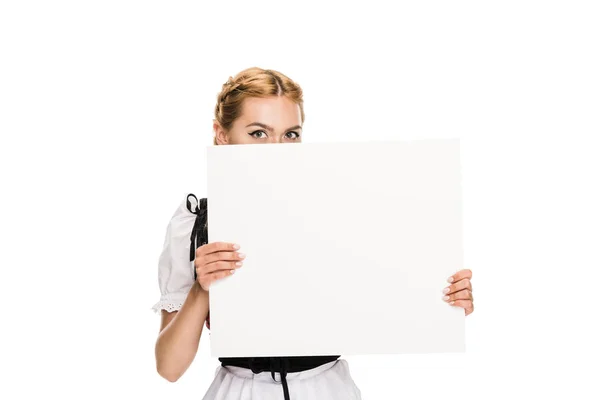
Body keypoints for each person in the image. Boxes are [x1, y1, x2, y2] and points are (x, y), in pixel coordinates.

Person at [152, 67, 475, 400]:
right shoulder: (195, 222)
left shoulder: (339, 206)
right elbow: (169, 368)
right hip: (240, 392)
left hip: (328, 389)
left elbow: (385, 287)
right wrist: (202, 287)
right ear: (222, 134)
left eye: (290, 134)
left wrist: (445, 301)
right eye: (258, 133)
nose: (277, 148)